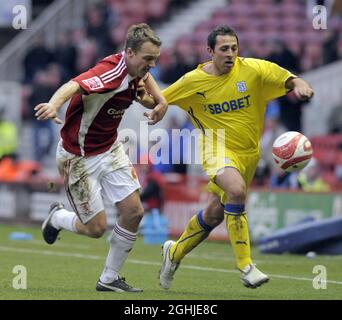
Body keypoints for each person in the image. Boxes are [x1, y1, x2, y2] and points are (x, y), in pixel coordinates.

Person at [156, 25, 314, 290]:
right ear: (210, 51)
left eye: (234, 48)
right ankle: (246, 266)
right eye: (224, 49)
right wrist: (155, 108)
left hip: (248, 154)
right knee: (236, 190)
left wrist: (301, 85)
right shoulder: (193, 81)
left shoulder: (253, 69)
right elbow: (160, 98)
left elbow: (290, 79)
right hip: (215, 147)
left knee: (215, 213)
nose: (230, 54)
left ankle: (173, 254)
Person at [34, 23, 167, 292]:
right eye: (148, 59)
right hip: (78, 157)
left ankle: (109, 278)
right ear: (129, 53)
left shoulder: (136, 69)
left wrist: (161, 101)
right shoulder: (110, 73)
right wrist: (53, 104)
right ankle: (58, 218)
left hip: (110, 148)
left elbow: (147, 83)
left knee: (134, 211)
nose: (152, 66)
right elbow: (74, 84)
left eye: (155, 59)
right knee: (95, 228)